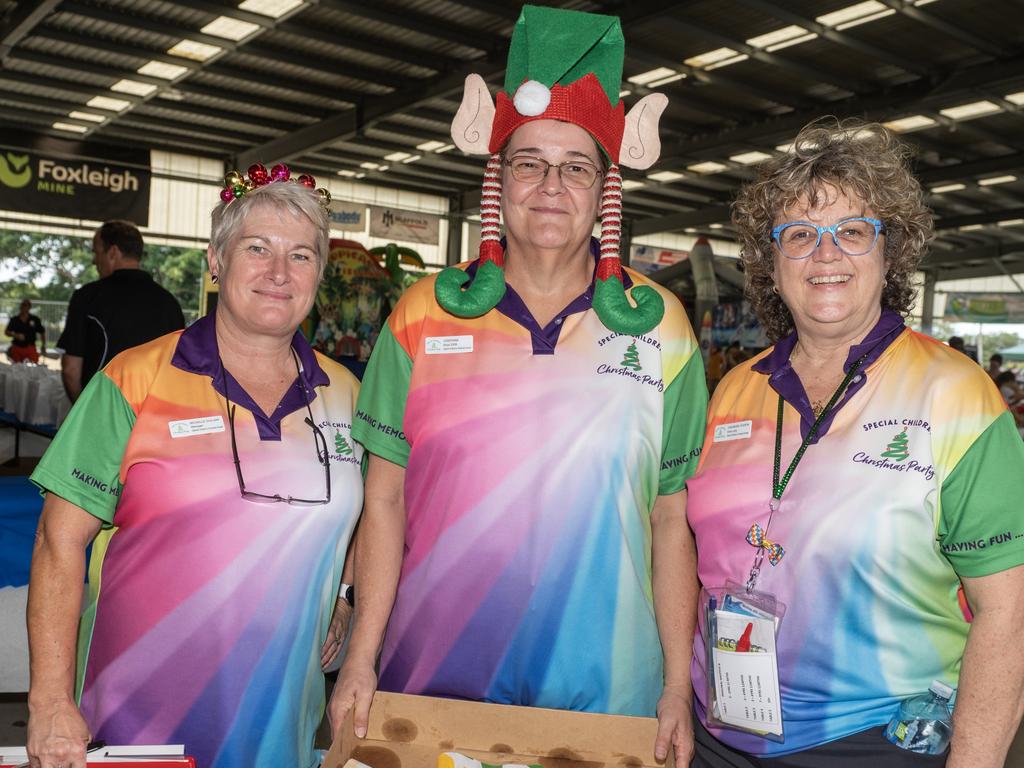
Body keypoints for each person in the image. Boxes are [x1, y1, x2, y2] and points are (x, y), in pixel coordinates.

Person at [330, 6, 707, 765]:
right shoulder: (420, 314)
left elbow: (674, 519)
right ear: (497, 178)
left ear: (606, 186)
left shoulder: (661, 326)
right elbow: (384, 497)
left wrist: (674, 684)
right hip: (432, 673)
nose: (550, 186)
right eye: (529, 161)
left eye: (576, 166)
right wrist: (361, 659)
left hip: (608, 684)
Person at [686, 118, 1024, 767]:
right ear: (770, 260)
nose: (825, 254)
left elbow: (1006, 617)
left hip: (874, 742)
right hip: (718, 731)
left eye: (851, 231)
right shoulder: (735, 390)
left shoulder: (956, 395)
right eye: (800, 236)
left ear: (888, 252)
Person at [26, 170, 364, 768]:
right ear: (215, 260)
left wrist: (341, 591)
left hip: (281, 728)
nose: (278, 272)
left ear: (319, 274)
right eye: (257, 248)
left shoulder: (346, 392)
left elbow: (372, 509)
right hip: (137, 725)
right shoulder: (135, 379)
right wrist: (50, 699)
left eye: (301, 255)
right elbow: (58, 541)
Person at [59, 219, 185, 402]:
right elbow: (178, 369)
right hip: (151, 412)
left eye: (96, 252)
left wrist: (82, 412)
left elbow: (71, 369)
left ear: (113, 253)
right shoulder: (170, 303)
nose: (94, 261)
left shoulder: (88, 297)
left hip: (103, 409)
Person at [5, 298, 45, 363]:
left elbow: (42, 332)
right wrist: (15, 335)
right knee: (16, 367)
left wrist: (43, 345)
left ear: (29, 307)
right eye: (22, 305)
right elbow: (7, 332)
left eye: (25, 305)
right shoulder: (14, 319)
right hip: (17, 347)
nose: (23, 307)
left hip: (30, 347)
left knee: (32, 365)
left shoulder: (35, 319)